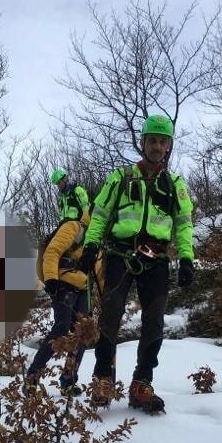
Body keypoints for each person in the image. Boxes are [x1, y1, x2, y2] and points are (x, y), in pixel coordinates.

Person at [78, 114, 195, 414]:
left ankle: (142, 382)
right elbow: (101, 213)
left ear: (168, 146)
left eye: (162, 141)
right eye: (152, 140)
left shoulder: (175, 185)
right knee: (110, 317)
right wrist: (91, 244)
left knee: (154, 323)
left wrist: (186, 259)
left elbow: (183, 225)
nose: (157, 146)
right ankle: (103, 377)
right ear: (143, 142)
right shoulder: (121, 177)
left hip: (156, 260)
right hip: (119, 255)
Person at [24, 169, 99, 395]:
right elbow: (52, 253)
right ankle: (32, 378)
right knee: (61, 329)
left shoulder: (96, 240)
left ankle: (68, 380)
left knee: (83, 333)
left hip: (83, 288)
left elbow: (98, 268)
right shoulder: (72, 228)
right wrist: (52, 281)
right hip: (64, 284)